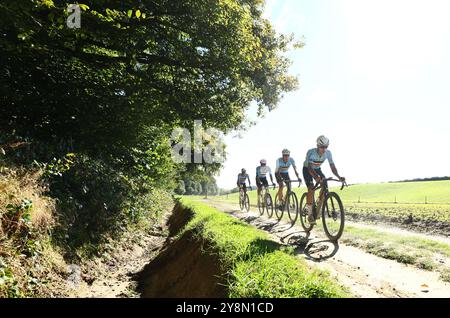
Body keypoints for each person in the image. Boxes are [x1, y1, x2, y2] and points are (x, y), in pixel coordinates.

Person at [303, 135, 345, 224]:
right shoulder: (311, 152)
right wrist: (316, 178)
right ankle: (310, 214)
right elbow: (310, 168)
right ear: (318, 146)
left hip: (317, 169)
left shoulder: (328, 153)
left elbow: (332, 167)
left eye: (326, 147)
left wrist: (339, 177)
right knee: (311, 188)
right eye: (322, 147)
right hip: (307, 169)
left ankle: (319, 201)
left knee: (325, 183)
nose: (324, 149)